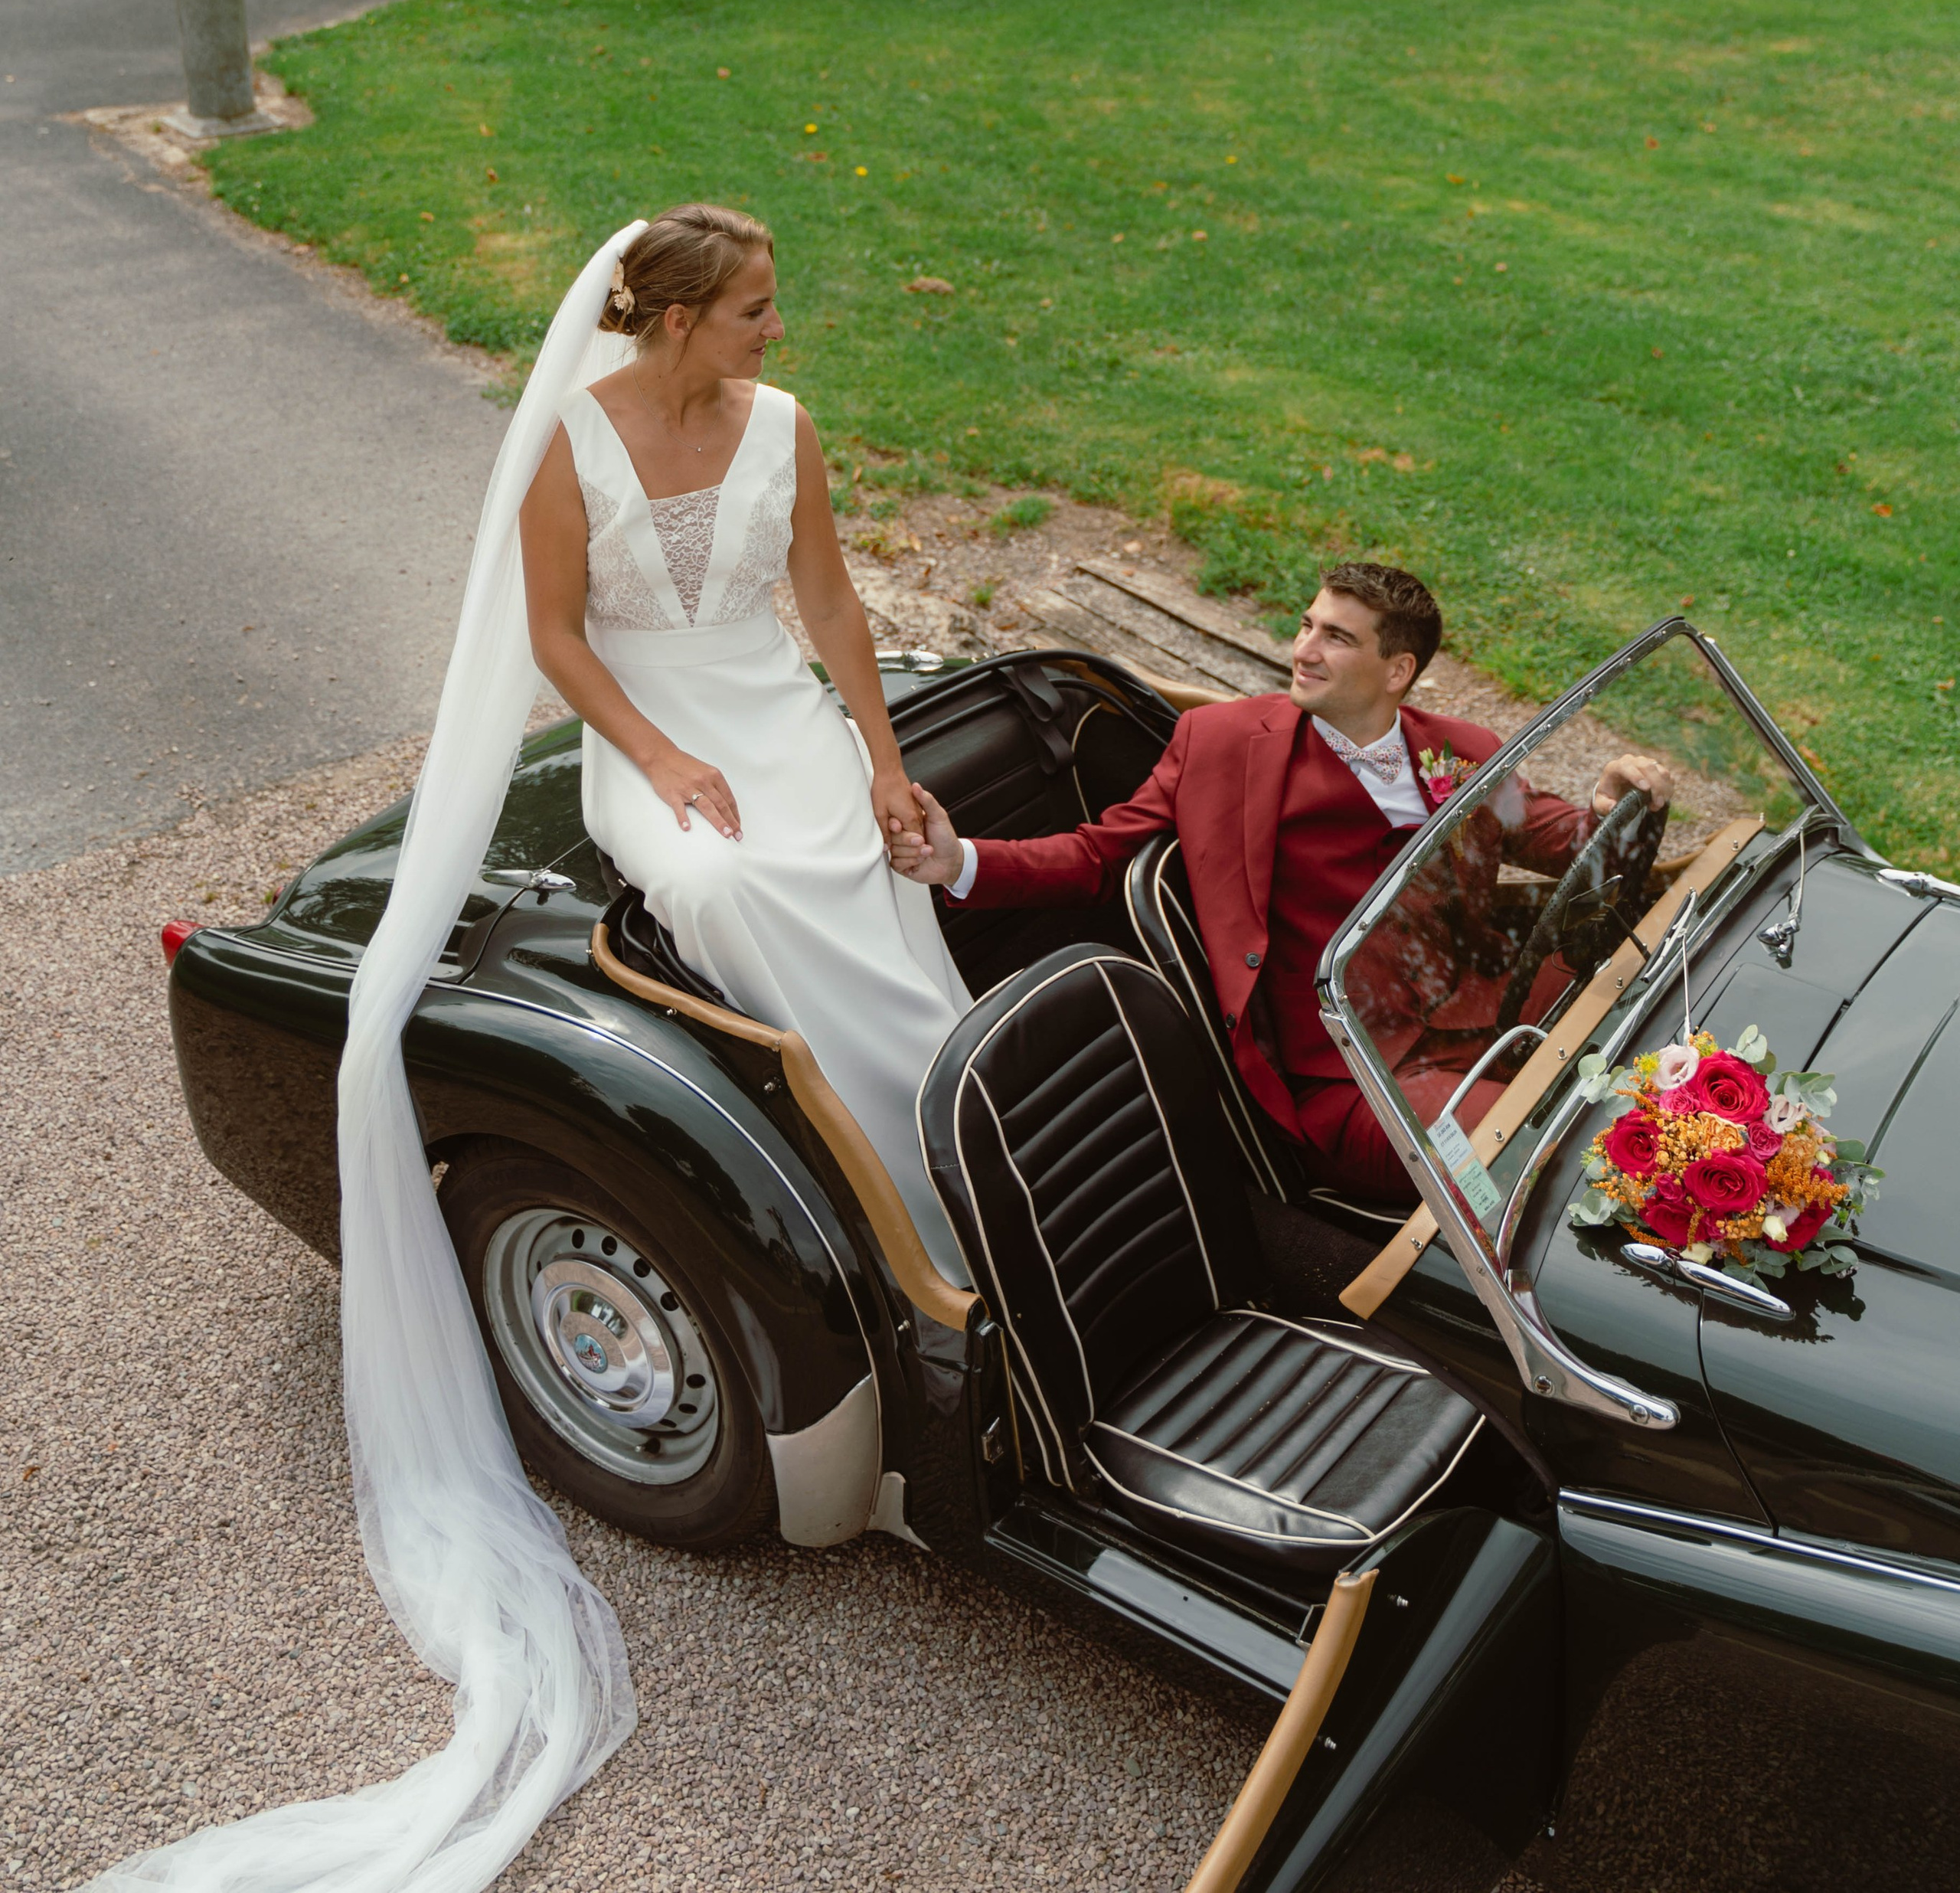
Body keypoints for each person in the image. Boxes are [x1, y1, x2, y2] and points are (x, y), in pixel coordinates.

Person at [891, 559, 1670, 1209]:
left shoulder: (1460, 751)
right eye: (1305, 626)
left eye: (1335, 637)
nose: (1303, 648)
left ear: (1397, 670)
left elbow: (1555, 837)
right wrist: (958, 860)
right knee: (1538, 1163)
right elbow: (1097, 855)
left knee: (1658, 1071)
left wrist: (1607, 802)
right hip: (1346, 1074)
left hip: (1479, 1012)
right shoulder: (1221, 745)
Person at [519, 201, 970, 1277]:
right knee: (718, 882)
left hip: (774, 703)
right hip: (648, 726)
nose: (777, 330)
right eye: (754, 310)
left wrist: (886, 762)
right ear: (677, 318)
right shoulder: (566, 438)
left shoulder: (785, 424)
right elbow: (554, 636)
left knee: (876, 852)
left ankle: (957, 1133)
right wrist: (659, 756)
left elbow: (829, 602)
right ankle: (848, 1162)